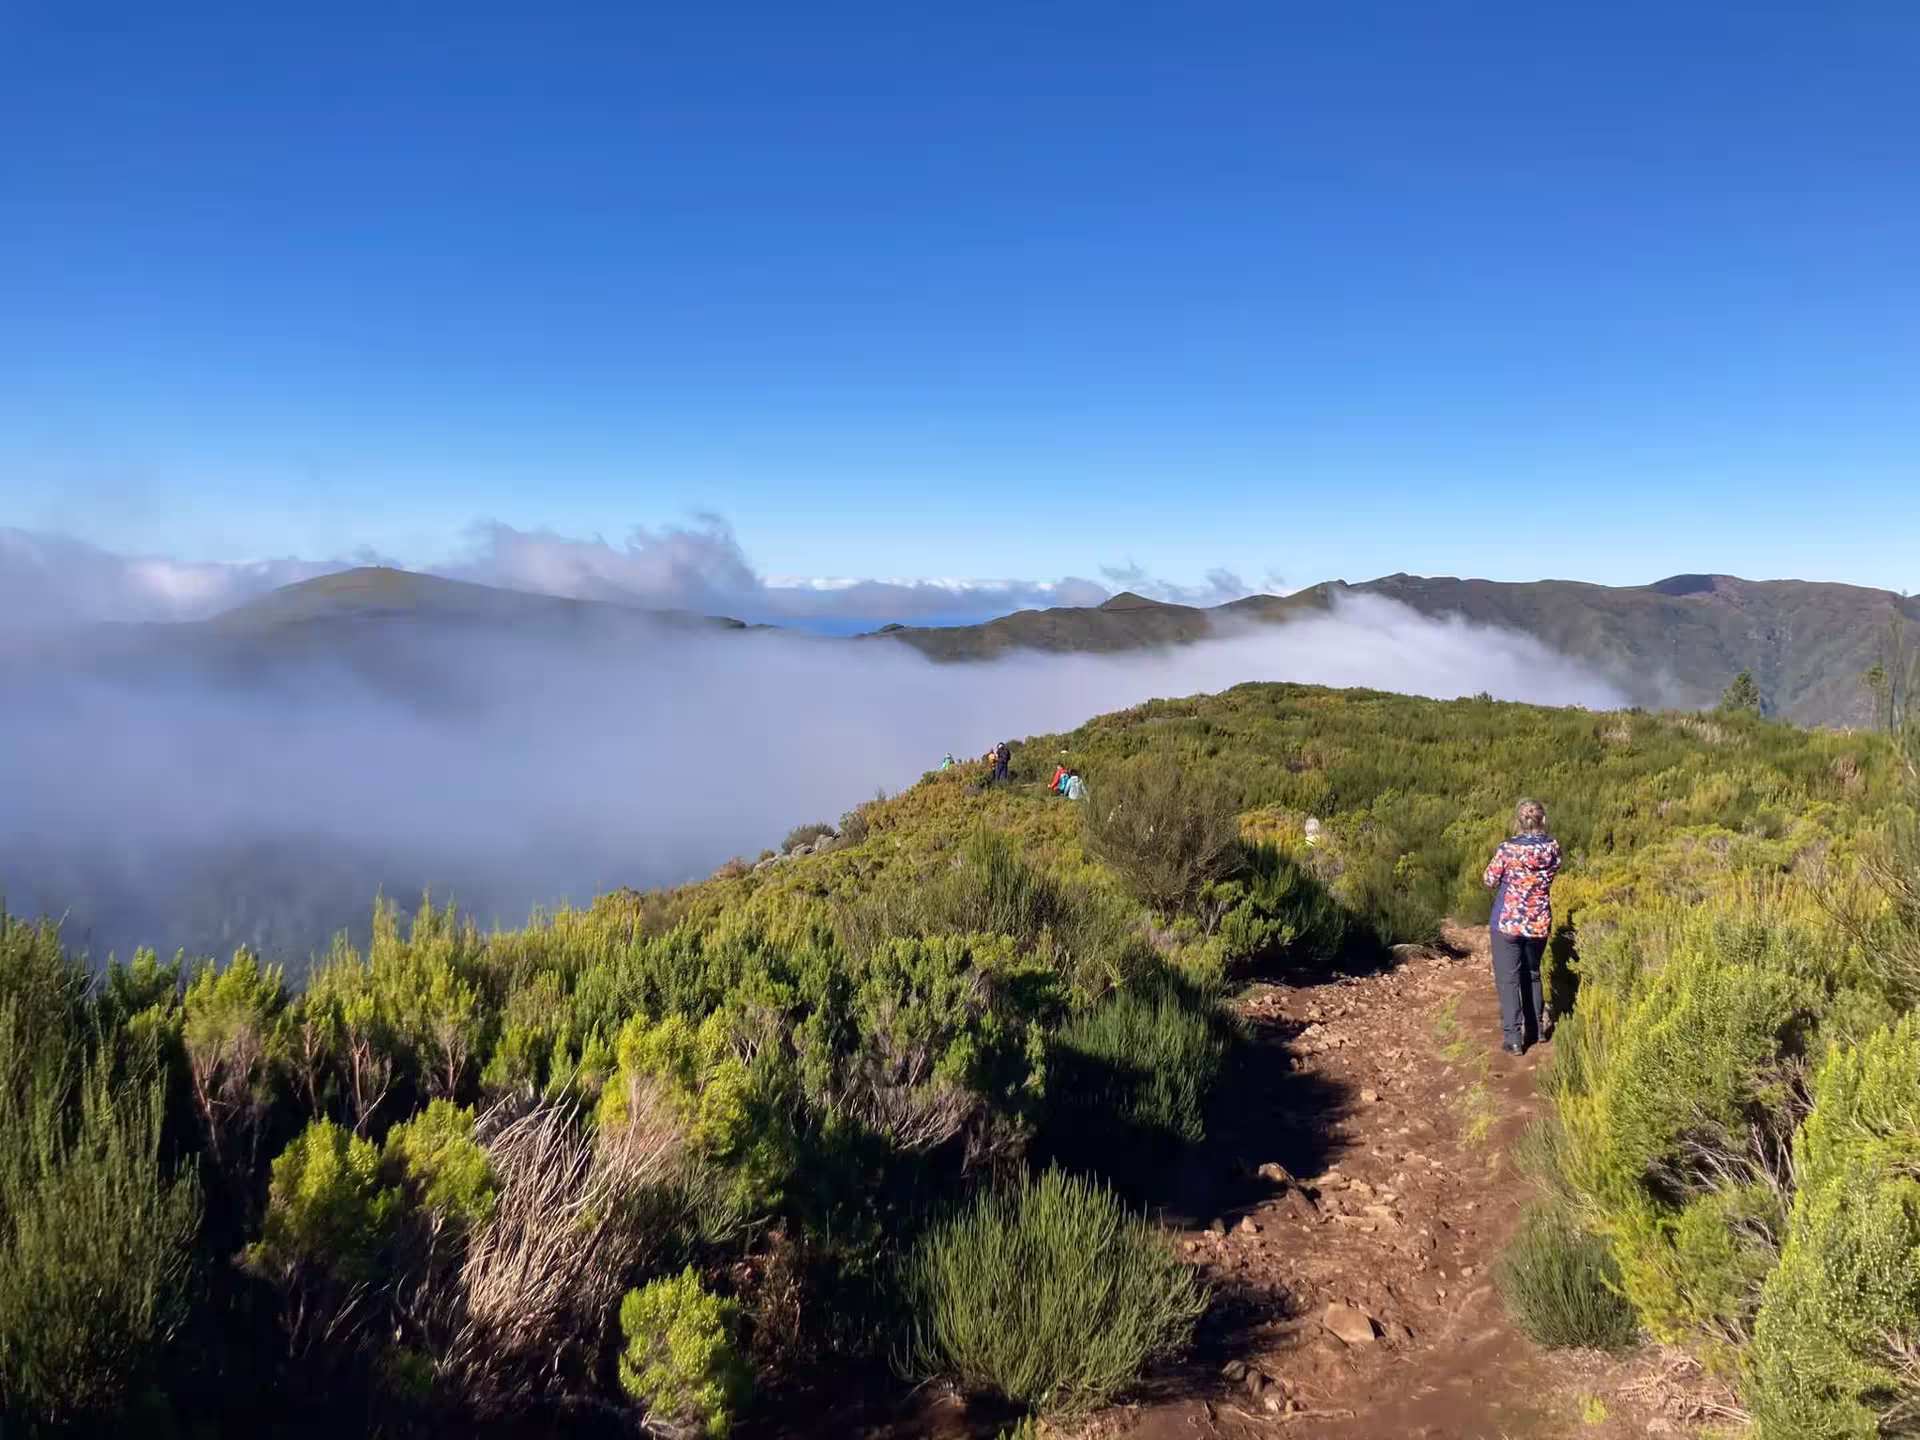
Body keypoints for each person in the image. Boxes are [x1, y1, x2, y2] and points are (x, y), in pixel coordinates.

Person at [1482, 799, 1561, 1055]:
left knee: (1508, 980)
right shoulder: (1552, 848)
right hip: (1538, 922)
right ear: (1543, 820)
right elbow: (1553, 870)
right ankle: (1536, 1030)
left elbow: (1490, 880)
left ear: (1518, 821)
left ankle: (1514, 1039)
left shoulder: (1507, 850)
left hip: (1508, 922)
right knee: (1532, 973)